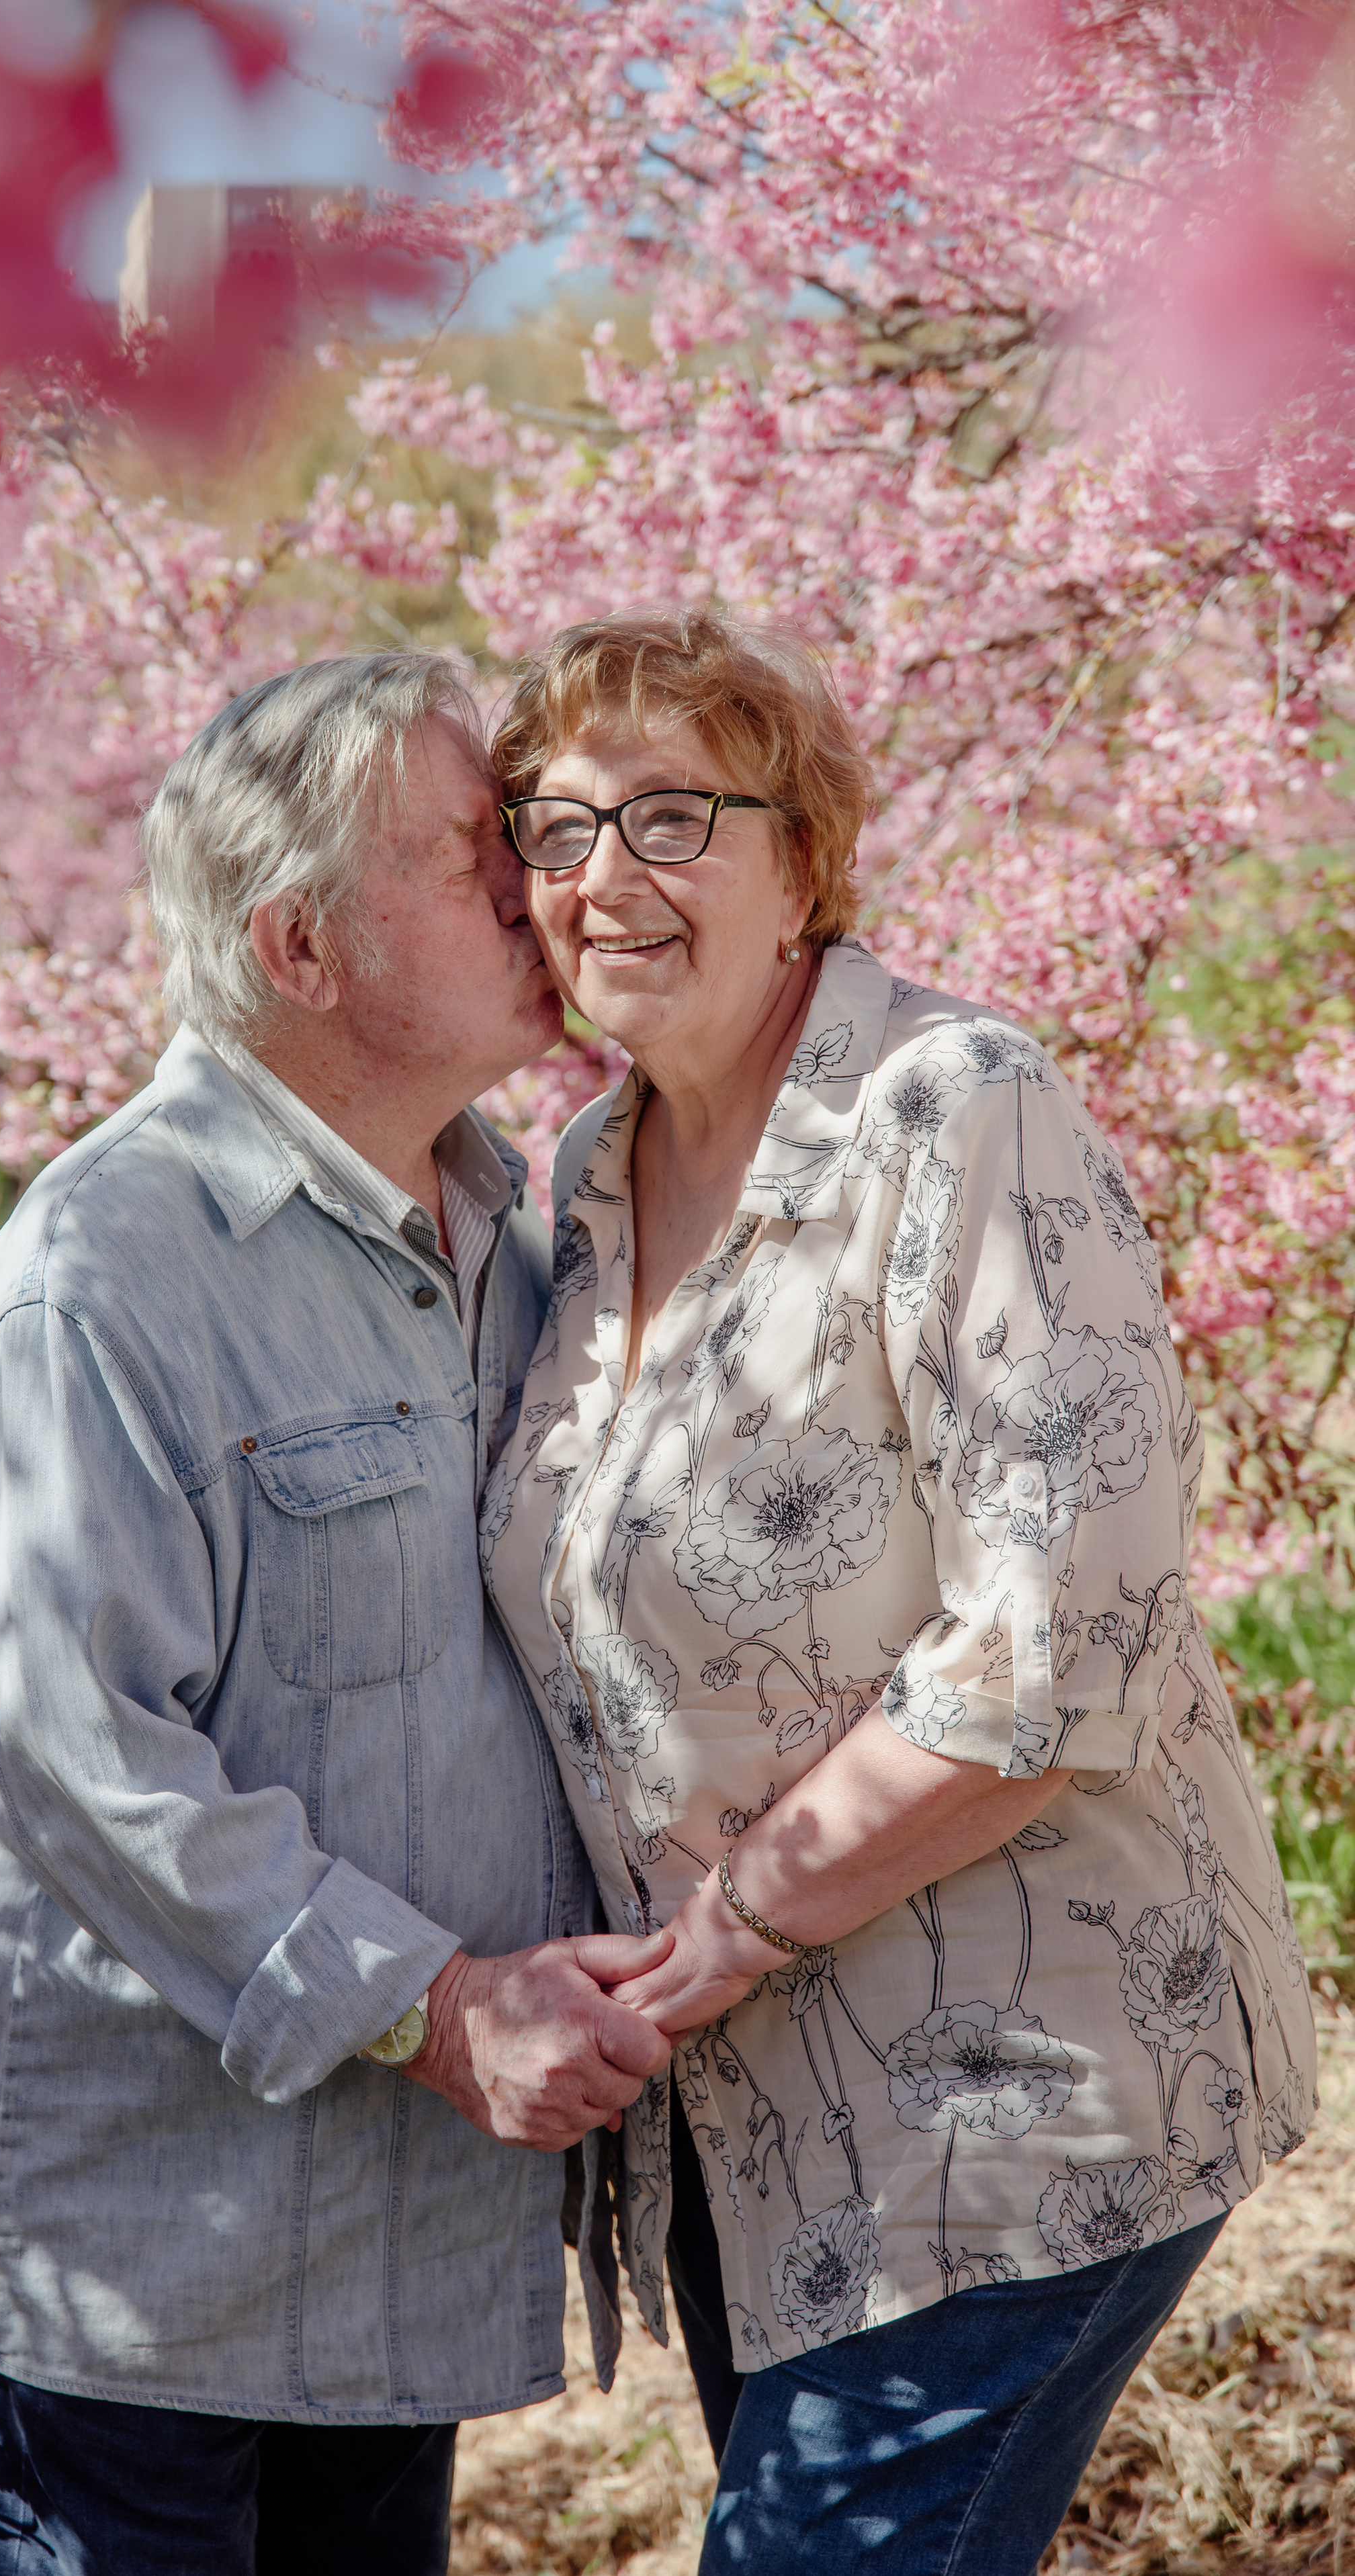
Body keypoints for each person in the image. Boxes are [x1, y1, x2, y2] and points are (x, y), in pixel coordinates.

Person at [482, 609, 1317, 2576]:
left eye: (675, 815)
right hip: (756, 2134)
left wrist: (715, 1937)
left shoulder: (956, 1108)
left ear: (808, 859)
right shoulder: (584, 1181)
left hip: (1016, 2106)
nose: (603, 874)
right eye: (557, 824)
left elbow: (1052, 1647)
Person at [0, 652, 671, 2576]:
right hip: (134, 2295)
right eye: (471, 844)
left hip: (384, 2272)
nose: (531, 879)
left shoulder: (514, 1236)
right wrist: (439, 2004)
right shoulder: (103, 1277)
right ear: (302, 942)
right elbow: (81, 1759)